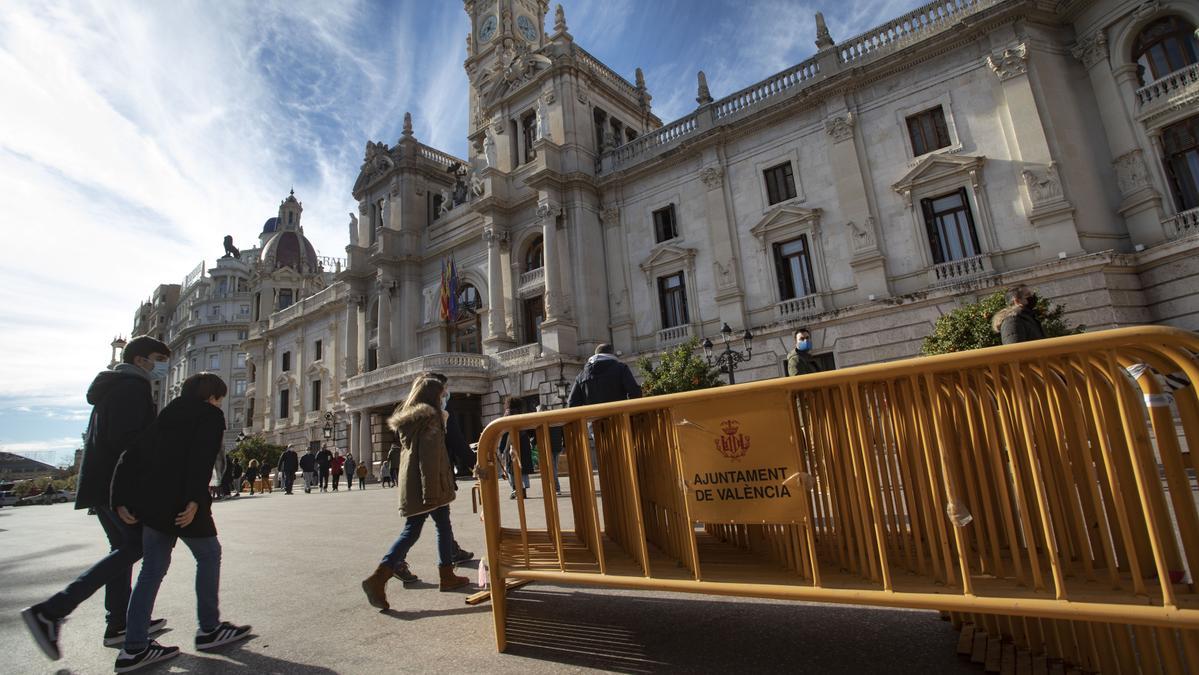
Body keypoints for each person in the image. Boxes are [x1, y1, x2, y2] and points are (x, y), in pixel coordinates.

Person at [21, 335, 171, 662]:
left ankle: (117, 623)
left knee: (123, 549)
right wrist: (125, 495)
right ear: (142, 359)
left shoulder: (115, 386)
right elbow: (127, 444)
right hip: (117, 487)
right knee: (135, 547)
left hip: (102, 485)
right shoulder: (132, 388)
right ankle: (52, 610)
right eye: (160, 358)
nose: (163, 366)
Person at [110, 373, 250, 672]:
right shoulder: (209, 416)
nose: (220, 403)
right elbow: (200, 460)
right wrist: (194, 500)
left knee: (151, 571)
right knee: (209, 555)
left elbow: (130, 455)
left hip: (152, 505)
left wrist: (119, 498)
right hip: (182, 504)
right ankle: (209, 629)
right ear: (212, 396)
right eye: (220, 398)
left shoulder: (166, 415)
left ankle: (133, 648)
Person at [361, 377, 470, 610]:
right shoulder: (431, 418)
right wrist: (432, 492)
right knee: (415, 531)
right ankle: (380, 577)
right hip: (428, 485)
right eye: (442, 394)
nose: (445, 397)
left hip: (418, 484)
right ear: (433, 396)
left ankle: (446, 573)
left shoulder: (414, 419)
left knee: (439, 526)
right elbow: (430, 458)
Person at [423, 372, 474, 566]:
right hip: (433, 474)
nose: (447, 392)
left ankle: (452, 552)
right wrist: (474, 462)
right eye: (444, 388)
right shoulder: (439, 412)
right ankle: (392, 563)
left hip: (424, 475)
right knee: (415, 526)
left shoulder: (416, 410)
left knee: (440, 520)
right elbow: (456, 440)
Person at [567, 343, 641, 407]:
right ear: (611, 354)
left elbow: (572, 403)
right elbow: (634, 392)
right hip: (619, 419)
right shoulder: (621, 368)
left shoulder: (581, 376)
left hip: (594, 421)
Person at [499, 398, 534, 500]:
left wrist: (502, 449)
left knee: (511, 468)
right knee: (522, 467)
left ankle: (515, 489)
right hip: (523, 442)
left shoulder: (507, 415)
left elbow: (504, 432)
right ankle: (523, 490)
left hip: (511, 443)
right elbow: (530, 430)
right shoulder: (522, 414)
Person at [536, 405, 565, 496]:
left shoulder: (545, 420)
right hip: (556, 447)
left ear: (543, 410)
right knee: (553, 468)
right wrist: (564, 445)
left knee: (552, 469)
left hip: (550, 447)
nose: (537, 414)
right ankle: (553, 487)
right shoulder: (555, 417)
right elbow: (562, 431)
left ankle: (556, 488)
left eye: (538, 411)